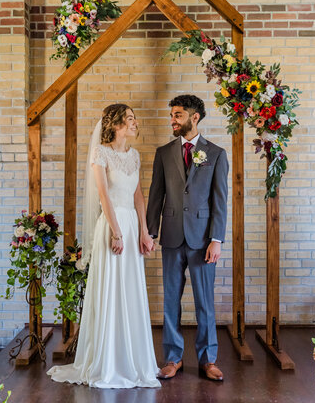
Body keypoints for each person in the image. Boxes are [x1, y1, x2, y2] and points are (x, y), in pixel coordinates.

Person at [47, 104, 160, 388]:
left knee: (130, 289)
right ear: (117, 124)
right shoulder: (101, 153)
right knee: (110, 289)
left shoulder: (134, 155)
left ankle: (133, 359)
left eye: (135, 118)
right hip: (112, 226)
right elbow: (104, 195)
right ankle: (106, 362)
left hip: (132, 225)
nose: (136, 123)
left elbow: (138, 197)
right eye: (131, 119)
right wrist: (117, 232)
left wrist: (144, 233)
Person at [147, 95, 228, 382]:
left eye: (178, 115)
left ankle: (208, 359)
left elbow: (220, 200)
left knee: (204, 302)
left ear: (194, 118)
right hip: (170, 236)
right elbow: (156, 195)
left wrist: (217, 239)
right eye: (172, 114)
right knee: (171, 299)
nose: (172, 119)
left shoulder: (216, 154)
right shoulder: (164, 153)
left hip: (203, 239)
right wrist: (149, 232)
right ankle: (172, 358)